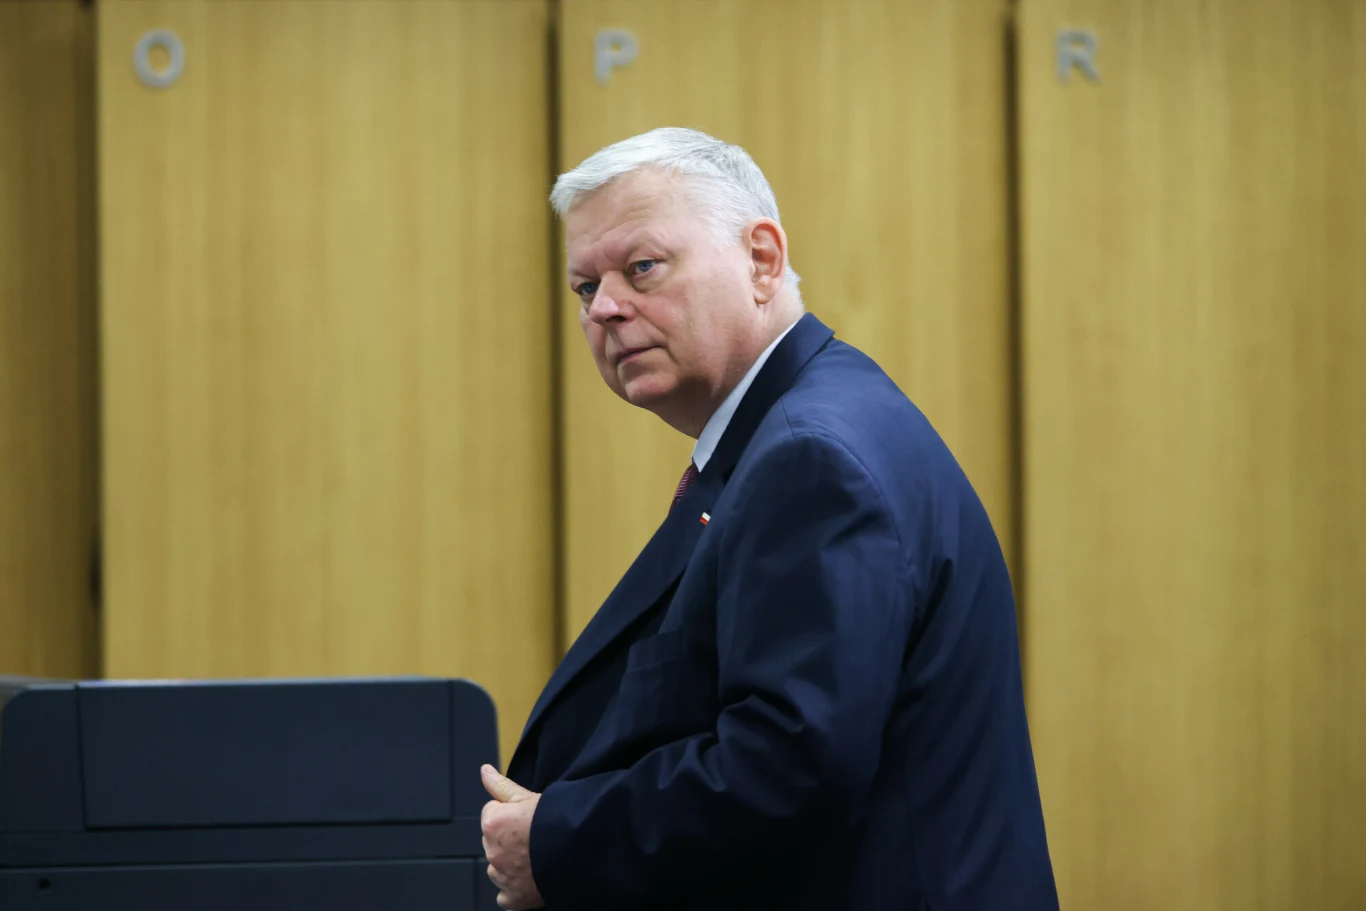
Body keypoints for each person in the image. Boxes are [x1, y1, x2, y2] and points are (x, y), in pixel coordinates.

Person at [479, 127, 1058, 911]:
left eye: (642, 267)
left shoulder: (810, 459)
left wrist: (558, 840)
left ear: (761, 260)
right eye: (586, 287)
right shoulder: (799, 428)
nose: (607, 308)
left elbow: (789, 765)